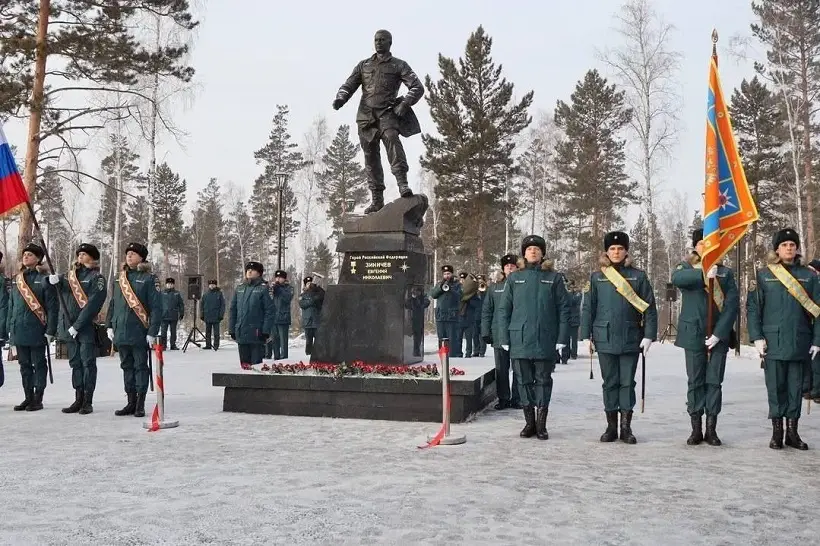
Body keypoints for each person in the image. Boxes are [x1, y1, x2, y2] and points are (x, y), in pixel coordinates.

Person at [332, 29, 424, 213]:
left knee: (392, 140)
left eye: (382, 39)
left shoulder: (399, 65)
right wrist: (340, 98)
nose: (379, 42)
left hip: (387, 114)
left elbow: (417, 87)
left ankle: (402, 184)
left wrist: (404, 104)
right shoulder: (363, 65)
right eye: (376, 39)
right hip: (366, 118)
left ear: (390, 42)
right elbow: (349, 84)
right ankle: (377, 199)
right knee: (370, 158)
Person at [580, 231, 658, 444]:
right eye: (612, 249)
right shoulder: (597, 277)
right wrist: (585, 334)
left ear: (626, 252)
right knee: (609, 383)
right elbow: (589, 308)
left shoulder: (638, 276)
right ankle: (611, 426)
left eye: (620, 249)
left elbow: (649, 308)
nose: (616, 252)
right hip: (604, 337)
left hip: (630, 338)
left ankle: (626, 427)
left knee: (627, 383)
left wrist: (649, 335)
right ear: (606, 252)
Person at [747, 228, 820, 450]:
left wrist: (817, 340)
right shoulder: (764, 274)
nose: (789, 248)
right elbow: (753, 309)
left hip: (800, 341)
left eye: (792, 244)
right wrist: (757, 337)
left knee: (795, 388)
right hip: (773, 341)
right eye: (785, 245)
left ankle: (793, 433)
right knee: (776, 387)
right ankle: (777, 433)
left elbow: (818, 311)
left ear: (797, 249)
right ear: (777, 249)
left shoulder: (809, 276)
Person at [671, 229, 738, 445]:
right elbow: (677, 279)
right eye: (701, 243)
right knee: (695, 380)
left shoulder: (725, 272)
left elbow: (731, 305)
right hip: (693, 333)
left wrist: (720, 333)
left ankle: (712, 428)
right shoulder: (687, 267)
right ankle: (696, 428)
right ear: (695, 246)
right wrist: (703, 274)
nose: (705, 246)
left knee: (714, 382)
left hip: (718, 334)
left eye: (709, 243)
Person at [499, 235, 570, 440]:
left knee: (543, 380)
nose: (533, 252)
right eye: (529, 249)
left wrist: (562, 338)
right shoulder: (514, 278)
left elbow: (564, 309)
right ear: (524, 253)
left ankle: (541, 424)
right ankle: (529, 423)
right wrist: (504, 337)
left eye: (537, 249)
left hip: (544, 339)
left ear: (542, 253)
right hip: (519, 338)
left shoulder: (554, 278)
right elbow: (504, 310)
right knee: (523, 381)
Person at [48, 243, 107, 415]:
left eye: (84, 254)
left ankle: (88, 401)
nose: (80, 256)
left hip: (85, 327)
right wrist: (50, 280)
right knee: (75, 363)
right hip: (68, 326)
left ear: (92, 257)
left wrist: (77, 326)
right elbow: (49, 288)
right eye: (79, 253)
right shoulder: (69, 276)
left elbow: (93, 305)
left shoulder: (97, 277)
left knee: (88, 363)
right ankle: (78, 397)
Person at [107, 242, 162, 418]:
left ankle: (140, 403)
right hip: (121, 330)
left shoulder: (149, 278)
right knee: (126, 366)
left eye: (133, 253)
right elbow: (113, 304)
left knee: (140, 366)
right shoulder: (119, 278)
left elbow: (156, 307)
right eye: (127, 253)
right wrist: (109, 325)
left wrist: (152, 331)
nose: (129, 256)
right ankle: (130, 401)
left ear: (141, 257)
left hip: (139, 331)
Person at [7, 243, 58, 412]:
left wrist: (51, 330)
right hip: (19, 329)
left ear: (38, 259)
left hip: (37, 328)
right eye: (25, 254)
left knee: (38, 363)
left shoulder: (44, 279)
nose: (26, 257)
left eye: (30, 254)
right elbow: (11, 306)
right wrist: (10, 327)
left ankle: (38, 397)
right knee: (24, 365)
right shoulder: (17, 279)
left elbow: (52, 306)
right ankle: (28, 396)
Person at [481, 254, 521, 410]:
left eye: (513, 266)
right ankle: (503, 398)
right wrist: (485, 331)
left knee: (518, 368)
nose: (510, 269)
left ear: (517, 268)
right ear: (503, 270)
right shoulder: (495, 288)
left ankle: (517, 398)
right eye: (507, 267)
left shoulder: (523, 285)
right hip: (499, 333)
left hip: (518, 333)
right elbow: (487, 311)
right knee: (501, 369)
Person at [229, 261, 275, 369]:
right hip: (241, 332)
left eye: (252, 270)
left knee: (256, 368)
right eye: (247, 269)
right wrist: (232, 329)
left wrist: (266, 331)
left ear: (259, 273)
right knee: (244, 366)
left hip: (257, 334)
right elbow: (233, 309)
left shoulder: (264, 288)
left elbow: (270, 311)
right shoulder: (240, 288)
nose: (249, 271)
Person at [430, 265, 462, 354]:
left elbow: (460, 296)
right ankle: (442, 355)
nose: (447, 276)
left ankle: (452, 355)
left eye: (448, 273)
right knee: (441, 338)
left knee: (452, 339)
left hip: (452, 316)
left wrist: (451, 289)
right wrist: (441, 288)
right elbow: (433, 294)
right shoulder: (439, 284)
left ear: (452, 274)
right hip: (441, 316)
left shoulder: (457, 285)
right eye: (445, 274)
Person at [804, 259, 820, 404]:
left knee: (816, 363)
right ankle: (808, 388)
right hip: (810, 327)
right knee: (809, 361)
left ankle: (816, 390)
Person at [298, 276, 325, 355]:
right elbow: (302, 304)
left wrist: (318, 288)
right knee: (309, 341)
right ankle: (308, 354)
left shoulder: (318, 292)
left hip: (317, 320)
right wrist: (312, 300)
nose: (309, 285)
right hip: (307, 321)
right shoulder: (302, 295)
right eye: (307, 283)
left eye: (311, 283)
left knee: (318, 340)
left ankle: (318, 355)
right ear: (305, 285)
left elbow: (323, 296)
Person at [270, 270, 293, 360]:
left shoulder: (289, 288)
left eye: (280, 278)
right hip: (273, 317)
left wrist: (278, 288)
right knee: (274, 338)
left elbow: (287, 298)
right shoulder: (274, 287)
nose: (278, 279)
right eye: (277, 277)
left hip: (283, 317)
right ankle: (276, 356)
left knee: (283, 340)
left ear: (284, 279)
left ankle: (284, 357)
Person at [160, 277, 185, 350]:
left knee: (173, 332)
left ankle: (173, 345)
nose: (170, 285)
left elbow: (181, 304)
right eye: (168, 284)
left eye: (171, 284)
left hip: (173, 315)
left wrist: (181, 313)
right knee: (163, 332)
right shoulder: (162, 293)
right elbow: (158, 304)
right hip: (164, 315)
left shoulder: (176, 293)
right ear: (166, 284)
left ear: (173, 285)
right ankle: (163, 345)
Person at [200, 279, 225, 350]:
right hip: (207, 316)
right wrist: (202, 315)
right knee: (208, 332)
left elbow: (222, 305)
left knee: (216, 333)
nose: (211, 286)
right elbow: (202, 305)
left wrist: (221, 315)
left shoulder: (219, 294)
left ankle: (216, 345)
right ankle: (208, 345)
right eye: (210, 285)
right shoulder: (205, 294)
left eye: (213, 285)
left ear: (215, 285)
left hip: (216, 316)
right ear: (208, 285)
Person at [404, 286, 429, 357]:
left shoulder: (423, 298)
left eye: (417, 291)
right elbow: (407, 305)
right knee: (412, 337)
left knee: (418, 337)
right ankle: (414, 351)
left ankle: (416, 352)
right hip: (410, 320)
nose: (416, 293)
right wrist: (413, 299)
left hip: (418, 320)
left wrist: (417, 299)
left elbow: (424, 304)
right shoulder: (410, 299)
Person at [474, 275, 488, 357]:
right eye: (478, 281)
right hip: (475, 315)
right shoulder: (474, 291)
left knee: (482, 335)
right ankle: (476, 351)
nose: (480, 282)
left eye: (481, 280)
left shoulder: (487, 290)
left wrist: (484, 290)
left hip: (483, 315)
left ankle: (482, 351)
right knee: (475, 334)